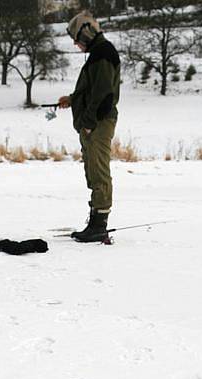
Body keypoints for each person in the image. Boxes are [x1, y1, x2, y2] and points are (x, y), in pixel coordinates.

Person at [59, 11, 121, 243]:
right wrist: (73, 98)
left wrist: (88, 123)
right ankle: (95, 221)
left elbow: (103, 94)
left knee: (99, 171)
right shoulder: (97, 53)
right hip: (93, 123)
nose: (75, 44)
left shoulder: (103, 53)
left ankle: (99, 225)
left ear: (86, 33)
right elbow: (92, 89)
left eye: (76, 39)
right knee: (93, 171)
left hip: (98, 123)